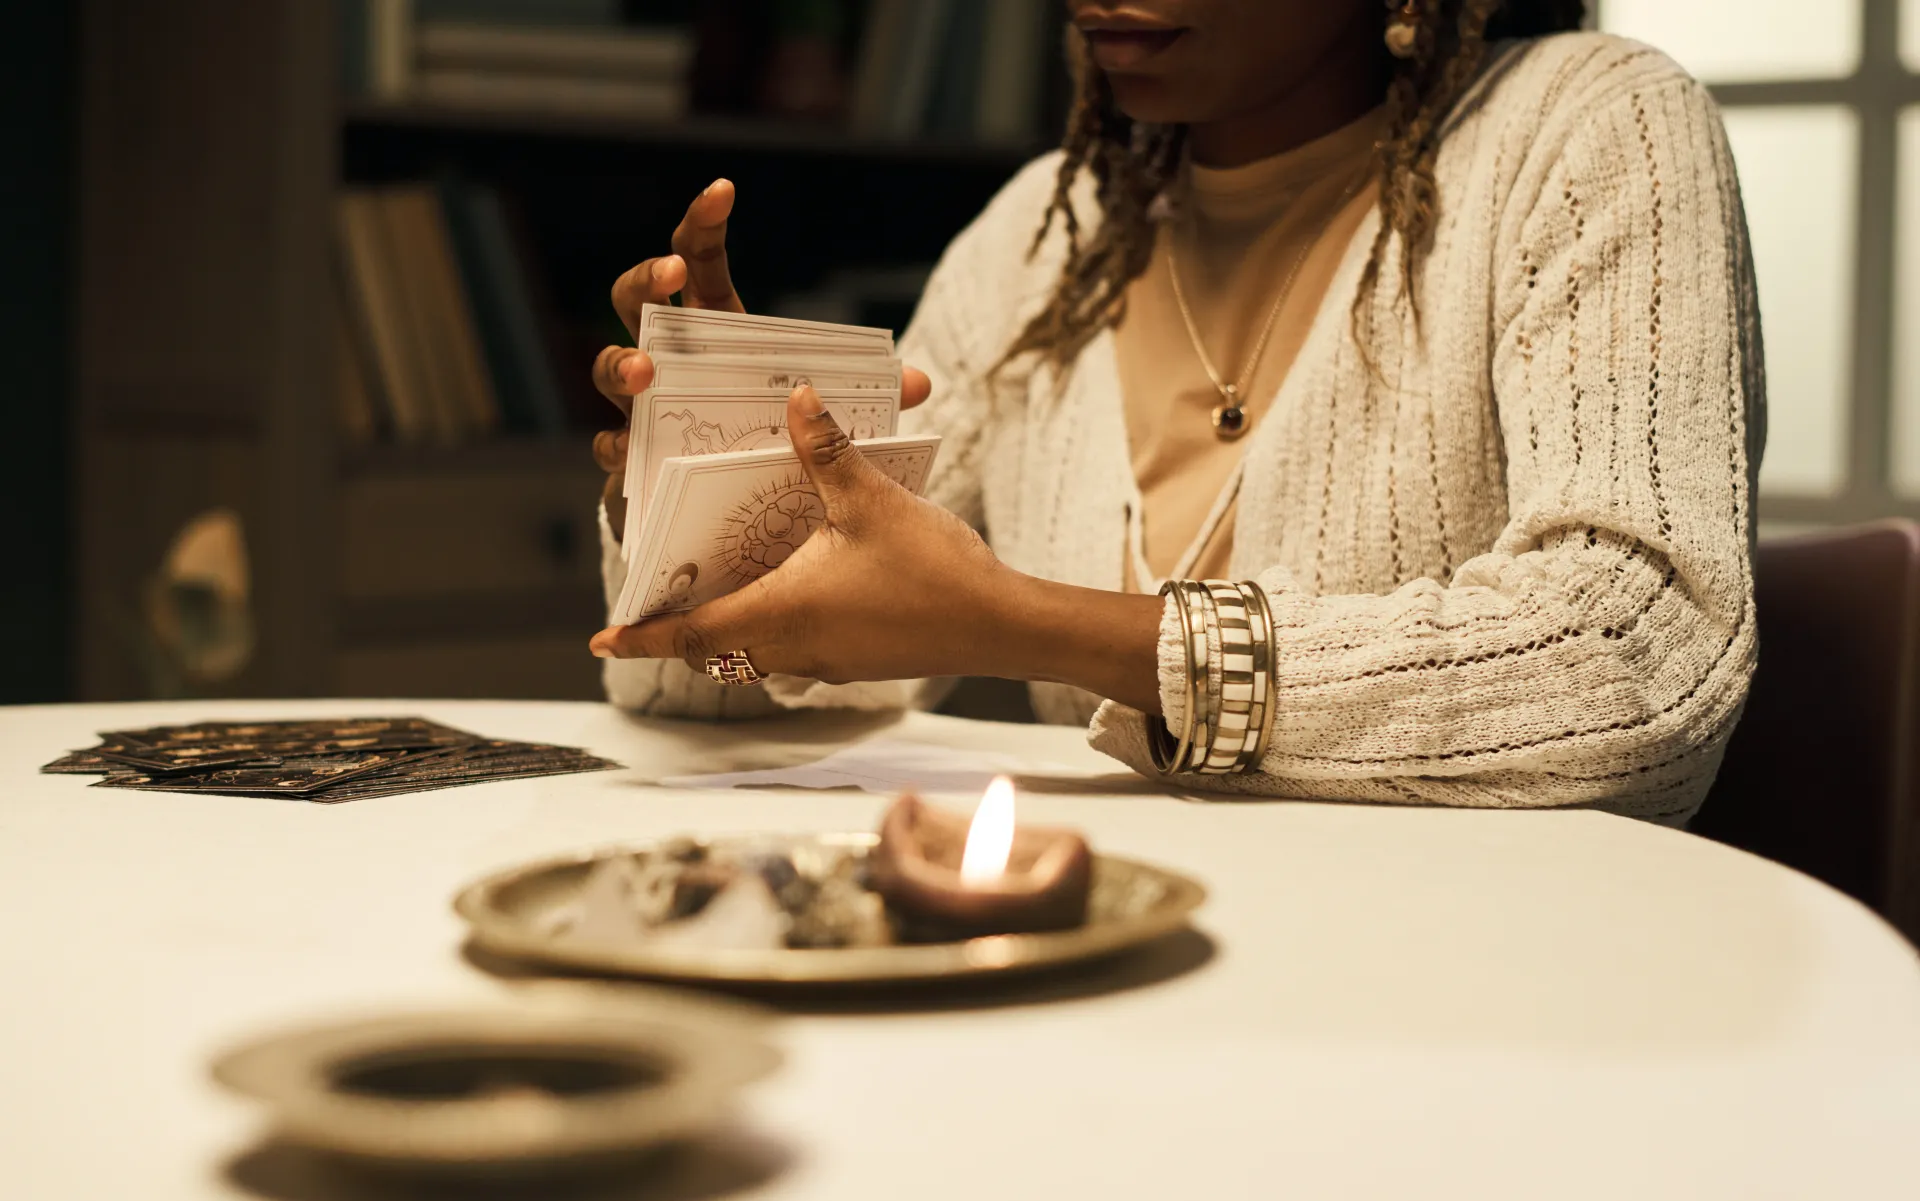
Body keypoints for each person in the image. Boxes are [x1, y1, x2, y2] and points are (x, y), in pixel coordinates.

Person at [585, 0, 1763, 826]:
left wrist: (1019, 625)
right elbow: (713, 701)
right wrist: (714, 508)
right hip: (1108, 967)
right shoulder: (1042, 235)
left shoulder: (1587, 128)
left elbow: (1642, 662)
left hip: (1480, 991)